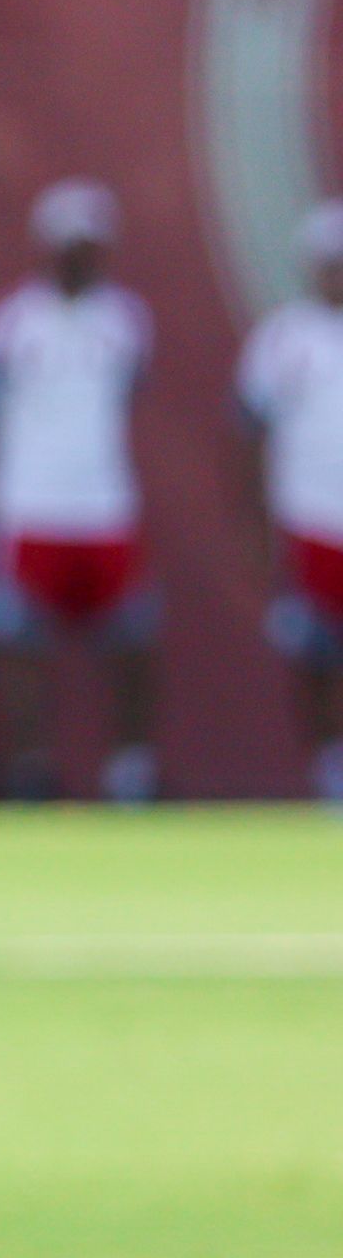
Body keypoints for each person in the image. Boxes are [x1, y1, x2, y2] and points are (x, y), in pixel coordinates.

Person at [0, 178, 160, 805]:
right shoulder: (11, 323)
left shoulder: (127, 322)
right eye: (70, 244)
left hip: (104, 508)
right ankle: (30, 770)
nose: (80, 256)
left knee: (132, 639)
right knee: (21, 644)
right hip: (28, 507)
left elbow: (129, 394)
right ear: (46, 247)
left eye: (90, 244)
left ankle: (130, 772)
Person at [239, 198, 343, 808]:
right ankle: (329, 772)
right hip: (311, 517)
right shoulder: (284, 337)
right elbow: (249, 430)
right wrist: (258, 527)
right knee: (315, 651)